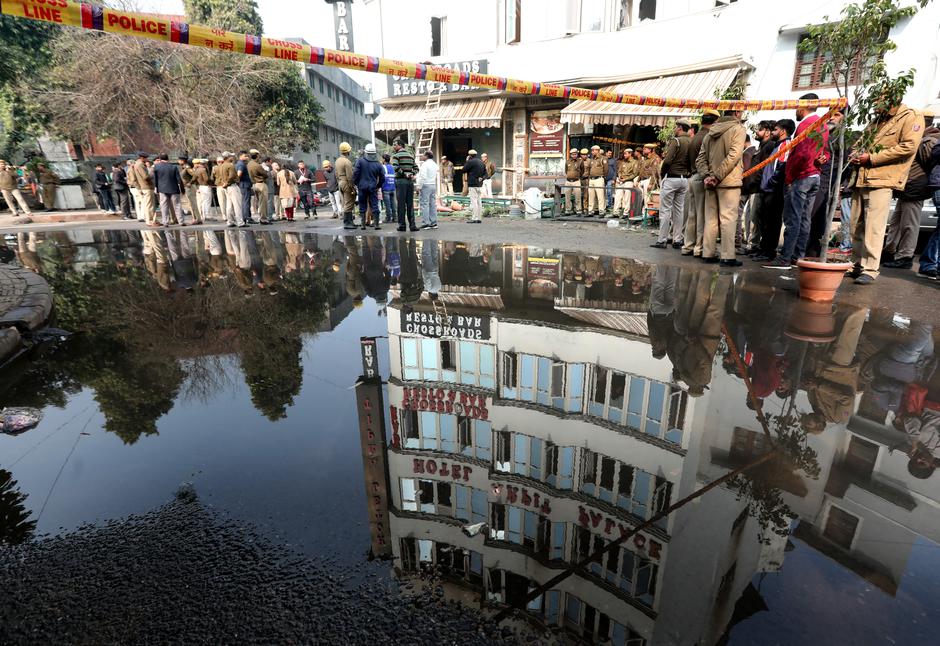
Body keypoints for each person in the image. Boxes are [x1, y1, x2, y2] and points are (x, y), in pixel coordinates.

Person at [847, 98, 924, 284]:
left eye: (877, 101)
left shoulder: (911, 116)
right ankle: (855, 263)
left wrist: (871, 158)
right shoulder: (877, 120)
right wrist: (856, 153)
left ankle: (870, 269)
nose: (874, 104)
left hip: (882, 178)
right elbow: (861, 142)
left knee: (874, 227)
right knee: (856, 225)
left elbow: (909, 146)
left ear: (892, 99)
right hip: (861, 177)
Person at [765, 93, 829, 268]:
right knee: (804, 218)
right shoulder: (823, 124)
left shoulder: (806, 125)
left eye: (797, 106)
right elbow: (826, 151)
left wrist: (790, 177)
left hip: (802, 176)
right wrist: (822, 159)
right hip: (814, 175)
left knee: (793, 219)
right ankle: (797, 255)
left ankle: (785, 257)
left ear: (803, 106)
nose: (796, 110)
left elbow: (801, 154)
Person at [883, 111, 939, 269]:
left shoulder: (927, 140)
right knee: (896, 223)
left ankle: (905, 256)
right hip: (906, 188)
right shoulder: (920, 138)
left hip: (915, 188)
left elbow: (930, 166)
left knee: (909, 224)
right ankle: (890, 251)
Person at [696, 109, 747, 267]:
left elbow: (700, 159)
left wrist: (707, 176)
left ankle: (708, 253)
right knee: (728, 219)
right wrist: (717, 176)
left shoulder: (710, 133)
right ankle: (727, 256)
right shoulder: (738, 129)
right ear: (737, 113)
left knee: (710, 220)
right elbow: (734, 155)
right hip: (728, 182)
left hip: (710, 182)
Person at [755, 119, 795, 263]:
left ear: (783, 131)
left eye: (775, 129)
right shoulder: (776, 146)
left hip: (774, 190)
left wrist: (772, 182)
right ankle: (763, 248)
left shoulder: (785, 145)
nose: (772, 132)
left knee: (772, 222)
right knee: (765, 221)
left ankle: (769, 251)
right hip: (768, 189)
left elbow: (781, 167)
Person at [682, 109, 720, 257]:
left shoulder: (696, 136)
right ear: (715, 121)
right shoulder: (708, 137)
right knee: (702, 215)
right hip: (701, 177)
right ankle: (699, 248)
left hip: (692, 177)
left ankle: (688, 246)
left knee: (692, 214)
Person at [652, 119, 692, 249]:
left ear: (680, 128)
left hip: (671, 178)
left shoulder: (677, 141)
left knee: (665, 211)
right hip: (684, 179)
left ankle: (662, 240)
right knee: (679, 211)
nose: (674, 129)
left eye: (676, 127)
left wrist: (663, 174)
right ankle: (677, 239)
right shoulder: (691, 141)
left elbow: (667, 161)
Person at [742, 120, 778, 254]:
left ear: (767, 132)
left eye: (759, 129)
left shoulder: (769, 146)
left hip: (758, 188)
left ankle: (754, 245)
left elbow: (763, 170)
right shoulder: (762, 147)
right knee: (751, 217)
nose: (756, 132)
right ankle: (752, 244)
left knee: (755, 219)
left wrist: (755, 183)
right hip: (753, 188)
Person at [353, 143, 385, 231]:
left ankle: (363, 225)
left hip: (362, 187)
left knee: (362, 205)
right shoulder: (378, 164)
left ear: (365, 152)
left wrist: (356, 183)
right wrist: (378, 186)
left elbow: (355, 174)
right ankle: (376, 225)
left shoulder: (360, 161)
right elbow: (382, 177)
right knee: (374, 205)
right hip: (373, 187)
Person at [152, 153, 187, 226]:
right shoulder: (173, 167)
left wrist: (156, 188)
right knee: (177, 205)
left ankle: (165, 222)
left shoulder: (156, 167)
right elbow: (179, 179)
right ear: (168, 159)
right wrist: (182, 189)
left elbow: (156, 179)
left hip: (162, 189)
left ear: (160, 159)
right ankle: (181, 221)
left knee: (164, 206)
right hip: (174, 189)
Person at [392, 140, 418, 232]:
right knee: (410, 204)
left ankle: (402, 226)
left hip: (400, 182)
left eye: (395, 145)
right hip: (410, 182)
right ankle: (412, 225)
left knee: (401, 205)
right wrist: (411, 174)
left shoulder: (396, 156)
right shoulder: (410, 155)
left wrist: (404, 174)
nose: (393, 147)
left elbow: (395, 167)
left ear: (400, 145)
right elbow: (416, 168)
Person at [336, 142, 357, 229]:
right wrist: (352, 187)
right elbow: (350, 176)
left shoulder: (337, 160)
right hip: (346, 183)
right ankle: (347, 223)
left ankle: (349, 222)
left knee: (345, 202)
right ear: (348, 151)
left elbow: (336, 173)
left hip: (340, 182)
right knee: (349, 203)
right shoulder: (347, 161)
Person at [131, 151, 156, 224]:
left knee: (149, 204)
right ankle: (150, 221)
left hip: (144, 186)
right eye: (146, 158)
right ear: (142, 158)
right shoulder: (140, 165)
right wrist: (151, 173)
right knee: (149, 205)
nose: (147, 160)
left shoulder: (137, 164)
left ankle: (152, 220)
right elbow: (145, 177)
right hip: (146, 186)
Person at [613, 148, 639, 217]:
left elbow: (635, 173)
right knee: (617, 195)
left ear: (630, 154)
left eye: (625, 153)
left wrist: (625, 179)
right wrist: (619, 177)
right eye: (624, 154)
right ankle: (616, 212)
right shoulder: (623, 162)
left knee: (627, 197)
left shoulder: (634, 162)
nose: (624, 155)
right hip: (621, 180)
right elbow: (619, 171)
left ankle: (626, 212)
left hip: (629, 181)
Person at [247, 149, 271, 225]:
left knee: (259, 202)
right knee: (263, 203)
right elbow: (265, 175)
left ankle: (261, 217)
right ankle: (263, 219)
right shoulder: (257, 165)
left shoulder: (249, 164)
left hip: (254, 184)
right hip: (260, 184)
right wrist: (266, 170)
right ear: (257, 155)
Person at [417, 150, 439, 229]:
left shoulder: (425, 164)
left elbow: (423, 176)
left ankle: (426, 223)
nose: (422, 156)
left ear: (426, 156)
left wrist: (419, 186)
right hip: (433, 184)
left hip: (426, 185)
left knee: (425, 204)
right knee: (432, 204)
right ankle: (434, 222)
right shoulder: (434, 164)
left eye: (423, 155)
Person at [221, 152, 243, 227]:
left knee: (229, 205)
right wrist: (227, 183)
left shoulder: (221, 165)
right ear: (227, 157)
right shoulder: (230, 165)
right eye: (231, 156)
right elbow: (231, 176)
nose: (232, 157)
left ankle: (230, 221)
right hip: (232, 186)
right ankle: (240, 222)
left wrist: (225, 184)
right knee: (237, 205)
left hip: (226, 187)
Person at [464, 149, 486, 223]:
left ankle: (475, 218)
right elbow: (486, 174)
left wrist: (467, 161)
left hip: (472, 184)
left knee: (474, 202)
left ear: (469, 155)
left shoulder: (470, 162)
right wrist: (481, 178)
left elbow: (464, 170)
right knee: (479, 201)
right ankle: (479, 218)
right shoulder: (481, 162)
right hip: (480, 184)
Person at [586, 145, 607, 216]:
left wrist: (603, 177)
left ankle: (601, 210)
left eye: (593, 150)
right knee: (591, 196)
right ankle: (591, 210)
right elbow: (589, 169)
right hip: (591, 179)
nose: (592, 152)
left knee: (600, 196)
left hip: (599, 178)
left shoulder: (603, 158)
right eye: (592, 150)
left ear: (597, 150)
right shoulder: (591, 159)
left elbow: (606, 170)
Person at [562, 148, 583, 215]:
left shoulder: (580, 161)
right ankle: (568, 210)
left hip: (576, 181)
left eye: (575, 154)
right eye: (573, 154)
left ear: (577, 154)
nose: (574, 155)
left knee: (578, 196)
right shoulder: (568, 161)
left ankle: (578, 210)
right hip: (568, 181)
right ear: (571, 155)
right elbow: (566, 170)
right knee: (567, 196)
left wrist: (577, 176)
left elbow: (582, 170)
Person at [236, 151, 253, 227]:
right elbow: (239, 174)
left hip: (243, 185)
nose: (247, 157)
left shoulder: (238, 164)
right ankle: (246, 217)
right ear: (240, 157)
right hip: (244, 185)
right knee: (246, 202)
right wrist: (237, 181)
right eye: (245, 156)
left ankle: (246, 217)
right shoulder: (241, 164)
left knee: (245, 201)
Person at [211, 155, 228, 221]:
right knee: (228, 201)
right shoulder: (226, 167)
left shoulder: (214, 168)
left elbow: (212, 178)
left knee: (221, 201)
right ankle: (229, 214)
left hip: (219, 186)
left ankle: (224, 215)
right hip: (226, 185)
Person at [381, 153, 396, 223]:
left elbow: (381, 177)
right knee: (393, 204)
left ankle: (388, 218)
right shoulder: (392, 167)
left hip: (386, 188)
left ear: (384, 160)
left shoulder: (383, 167)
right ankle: (395, 218)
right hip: (393, 187)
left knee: (387, 205)